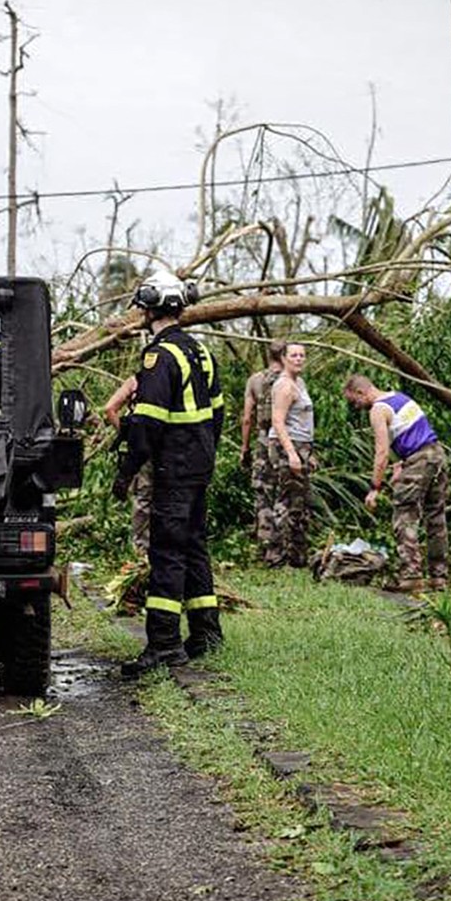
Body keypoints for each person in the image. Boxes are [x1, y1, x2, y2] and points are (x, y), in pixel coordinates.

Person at [111, 272, 223, 676]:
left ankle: (163, 645)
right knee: (194, 547)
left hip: (173, 470)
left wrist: (125, 474)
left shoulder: (159, 356)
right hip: (198, 466)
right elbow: (218, 414)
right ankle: (206, 634)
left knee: (167, 552)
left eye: (141, 308)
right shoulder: (201, 352)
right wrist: (204, 455)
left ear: (149, 307)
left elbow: (147, 423)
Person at [343, 374, 449, 590]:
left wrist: (375, 487)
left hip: (419, 460)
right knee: (436, 517)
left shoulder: (378, 410)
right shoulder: (400, 397)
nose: (356, 406)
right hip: (436, 454)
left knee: (404, 515)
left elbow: (381, 452)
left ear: (361, 392)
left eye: (354, 401)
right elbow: (409, 431)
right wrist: (400, 465)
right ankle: (439, 576)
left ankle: (411, 575)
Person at [239, 341, 288, 562]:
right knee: (284, 492)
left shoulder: (255, 381)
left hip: (262, 442)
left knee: (263, 493)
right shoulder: (293, 381)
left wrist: (245, 448)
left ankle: (264, 546)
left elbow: (247, 418)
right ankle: (281, 549)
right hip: (286, 442)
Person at [268, 342, 316, 568]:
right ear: (284, 359)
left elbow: (304, 421)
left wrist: (308, 452)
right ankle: (276, 556)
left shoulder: (300, 383)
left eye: (302, 355)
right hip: (287, 444)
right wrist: (291, 453)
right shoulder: (284, 386)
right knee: (286, 500)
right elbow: (278, 421)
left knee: (300, 501)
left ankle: (297, 556)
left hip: (302, 444)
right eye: (294, 355)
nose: (298, 359)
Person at [102, 374, 150, 559]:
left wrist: (128, 434)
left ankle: (141, 548)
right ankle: (141, 550)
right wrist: (127, 433)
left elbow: (109, 408)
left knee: (143, 498)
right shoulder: (139, 381)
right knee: (147, 496)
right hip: (158, 447)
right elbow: (109, 408)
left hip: (141, 447)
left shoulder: (137, 380)